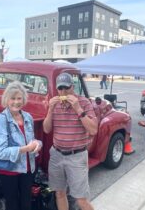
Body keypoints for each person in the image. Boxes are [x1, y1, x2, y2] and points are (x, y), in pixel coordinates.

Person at [43, 72, 98, 210]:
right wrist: (50, 109)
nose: (63, 92)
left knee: (81, 199)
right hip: (56, 155)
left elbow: (93, 130)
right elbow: (46, 129)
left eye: (66, 88)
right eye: (60, 89)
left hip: (77, 156)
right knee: (60, 193)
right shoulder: (54, 104)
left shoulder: (84, 103)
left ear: (72, 87)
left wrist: (78, 108)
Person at [0, 81, 42, 210]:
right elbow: (0, 152)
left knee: (26, 202)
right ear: (6, 100)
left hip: (28, 169)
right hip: (10, 170)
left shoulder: (28, 117)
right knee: (13, 204)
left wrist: (38, 144)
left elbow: (32, 141)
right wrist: (26, 149)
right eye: (12, 98)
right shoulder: (2, 119)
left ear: (24, 99)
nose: (16, 102)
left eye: (19, 98)